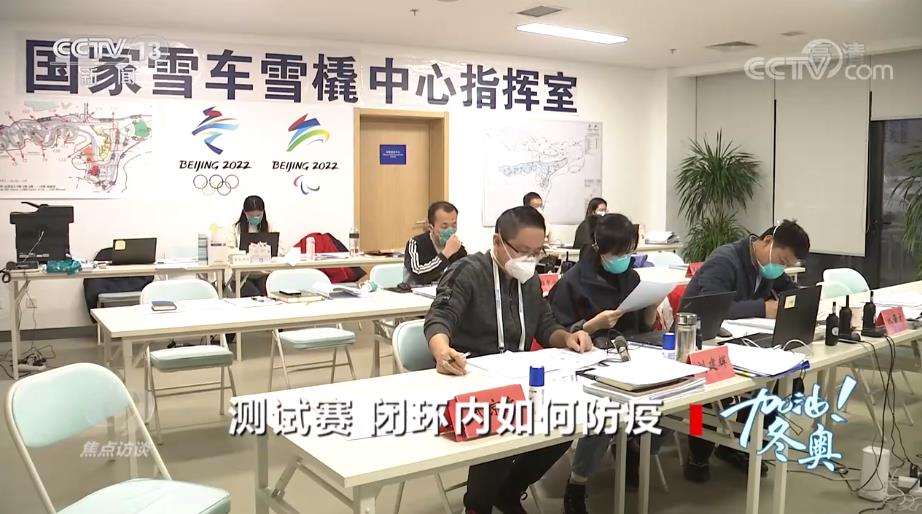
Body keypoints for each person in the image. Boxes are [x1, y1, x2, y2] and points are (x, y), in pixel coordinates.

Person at [424, 205, 593, 514]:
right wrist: (441, 349)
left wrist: (568, 338)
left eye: (537, 252)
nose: (530, 259)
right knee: (501, 423)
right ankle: (477, 505)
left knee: (564, 425)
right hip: (471, 376)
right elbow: (440, 316)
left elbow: (545, 325)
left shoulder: (529, 279)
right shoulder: (468, 271)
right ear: (498, 241)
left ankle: (509, 491)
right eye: (523, 251)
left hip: (518, 377)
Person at [547, 213, 659, 514]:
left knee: (672, 402)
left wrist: (651, 308)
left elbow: (642, 327)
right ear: (599, 249)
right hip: (586, 361)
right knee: (605, 412)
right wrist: (591, 325)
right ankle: (578, 482)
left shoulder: (631, 277)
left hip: (630, 355)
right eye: (618, 254)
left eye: (629, 252)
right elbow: (553, 331)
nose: (624, 259)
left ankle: (632, 445)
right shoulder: (573, 281)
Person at [682, 220, 810, 482]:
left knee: (788, 383)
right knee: (708, 393)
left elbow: (790, 291)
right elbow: (713, 308)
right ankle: (697, 453)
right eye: (782, 261)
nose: (781, 268)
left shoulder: (766, 266)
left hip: (740, 342)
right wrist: (763, 308)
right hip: (700, 341)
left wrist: (803, 304)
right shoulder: (725, 261)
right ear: (767, 241)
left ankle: (742, 443)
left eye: (787, 265)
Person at [403, 201, 467, 285]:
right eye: (444, 226)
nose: (450, 230)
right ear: (431, 227)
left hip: (444, 292)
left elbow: (466, 273)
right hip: (415, 291)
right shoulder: (415, 243)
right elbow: (419, 275)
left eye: (454, 225)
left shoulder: (457, 247)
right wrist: (445, 254)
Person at [231, 195, 273, 297]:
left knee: (267, 292)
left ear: (263, 212)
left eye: (258, 215)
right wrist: (247, 254)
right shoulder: (234, 229)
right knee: (253, 294)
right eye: (251, 216)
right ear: (244, 213)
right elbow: (229, 251)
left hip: (264, 273)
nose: (255, 218)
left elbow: (279, 250)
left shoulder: (270, 227)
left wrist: (264, 251)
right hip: (241, 275)